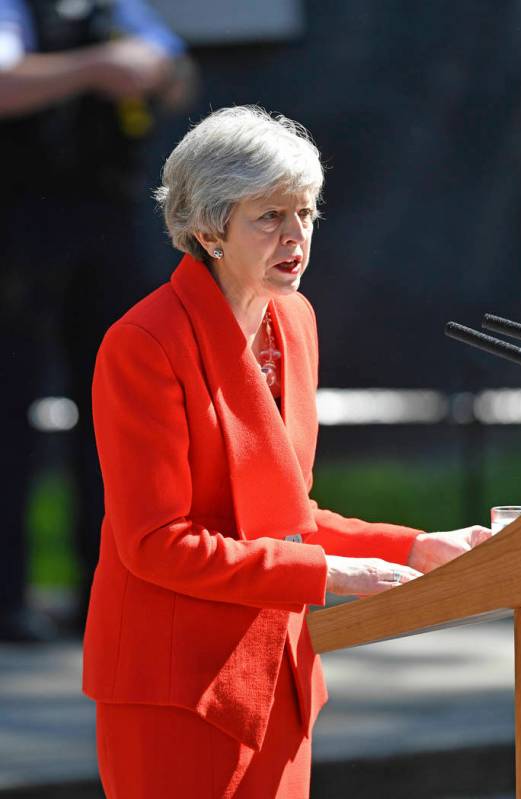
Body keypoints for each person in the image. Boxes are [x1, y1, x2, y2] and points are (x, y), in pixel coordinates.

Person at [82, 105, 491, 799]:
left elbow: (282, 513)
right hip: (175, 689)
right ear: (208, 229)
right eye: (268, 217)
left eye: (304, 213)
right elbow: (155, 543)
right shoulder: (143, 343)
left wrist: (412, 546)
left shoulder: (292, 321)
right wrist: (326, 571)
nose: (295, 235)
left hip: (279, 676)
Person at [0, 0, 197, 640]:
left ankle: (108, 589)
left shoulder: (115, 7)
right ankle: (7, 601)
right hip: (20, 223)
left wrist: (155, 73)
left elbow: (178, 74)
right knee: (10, 408)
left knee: (120, 408)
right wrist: (93, 68)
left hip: (107, 220)